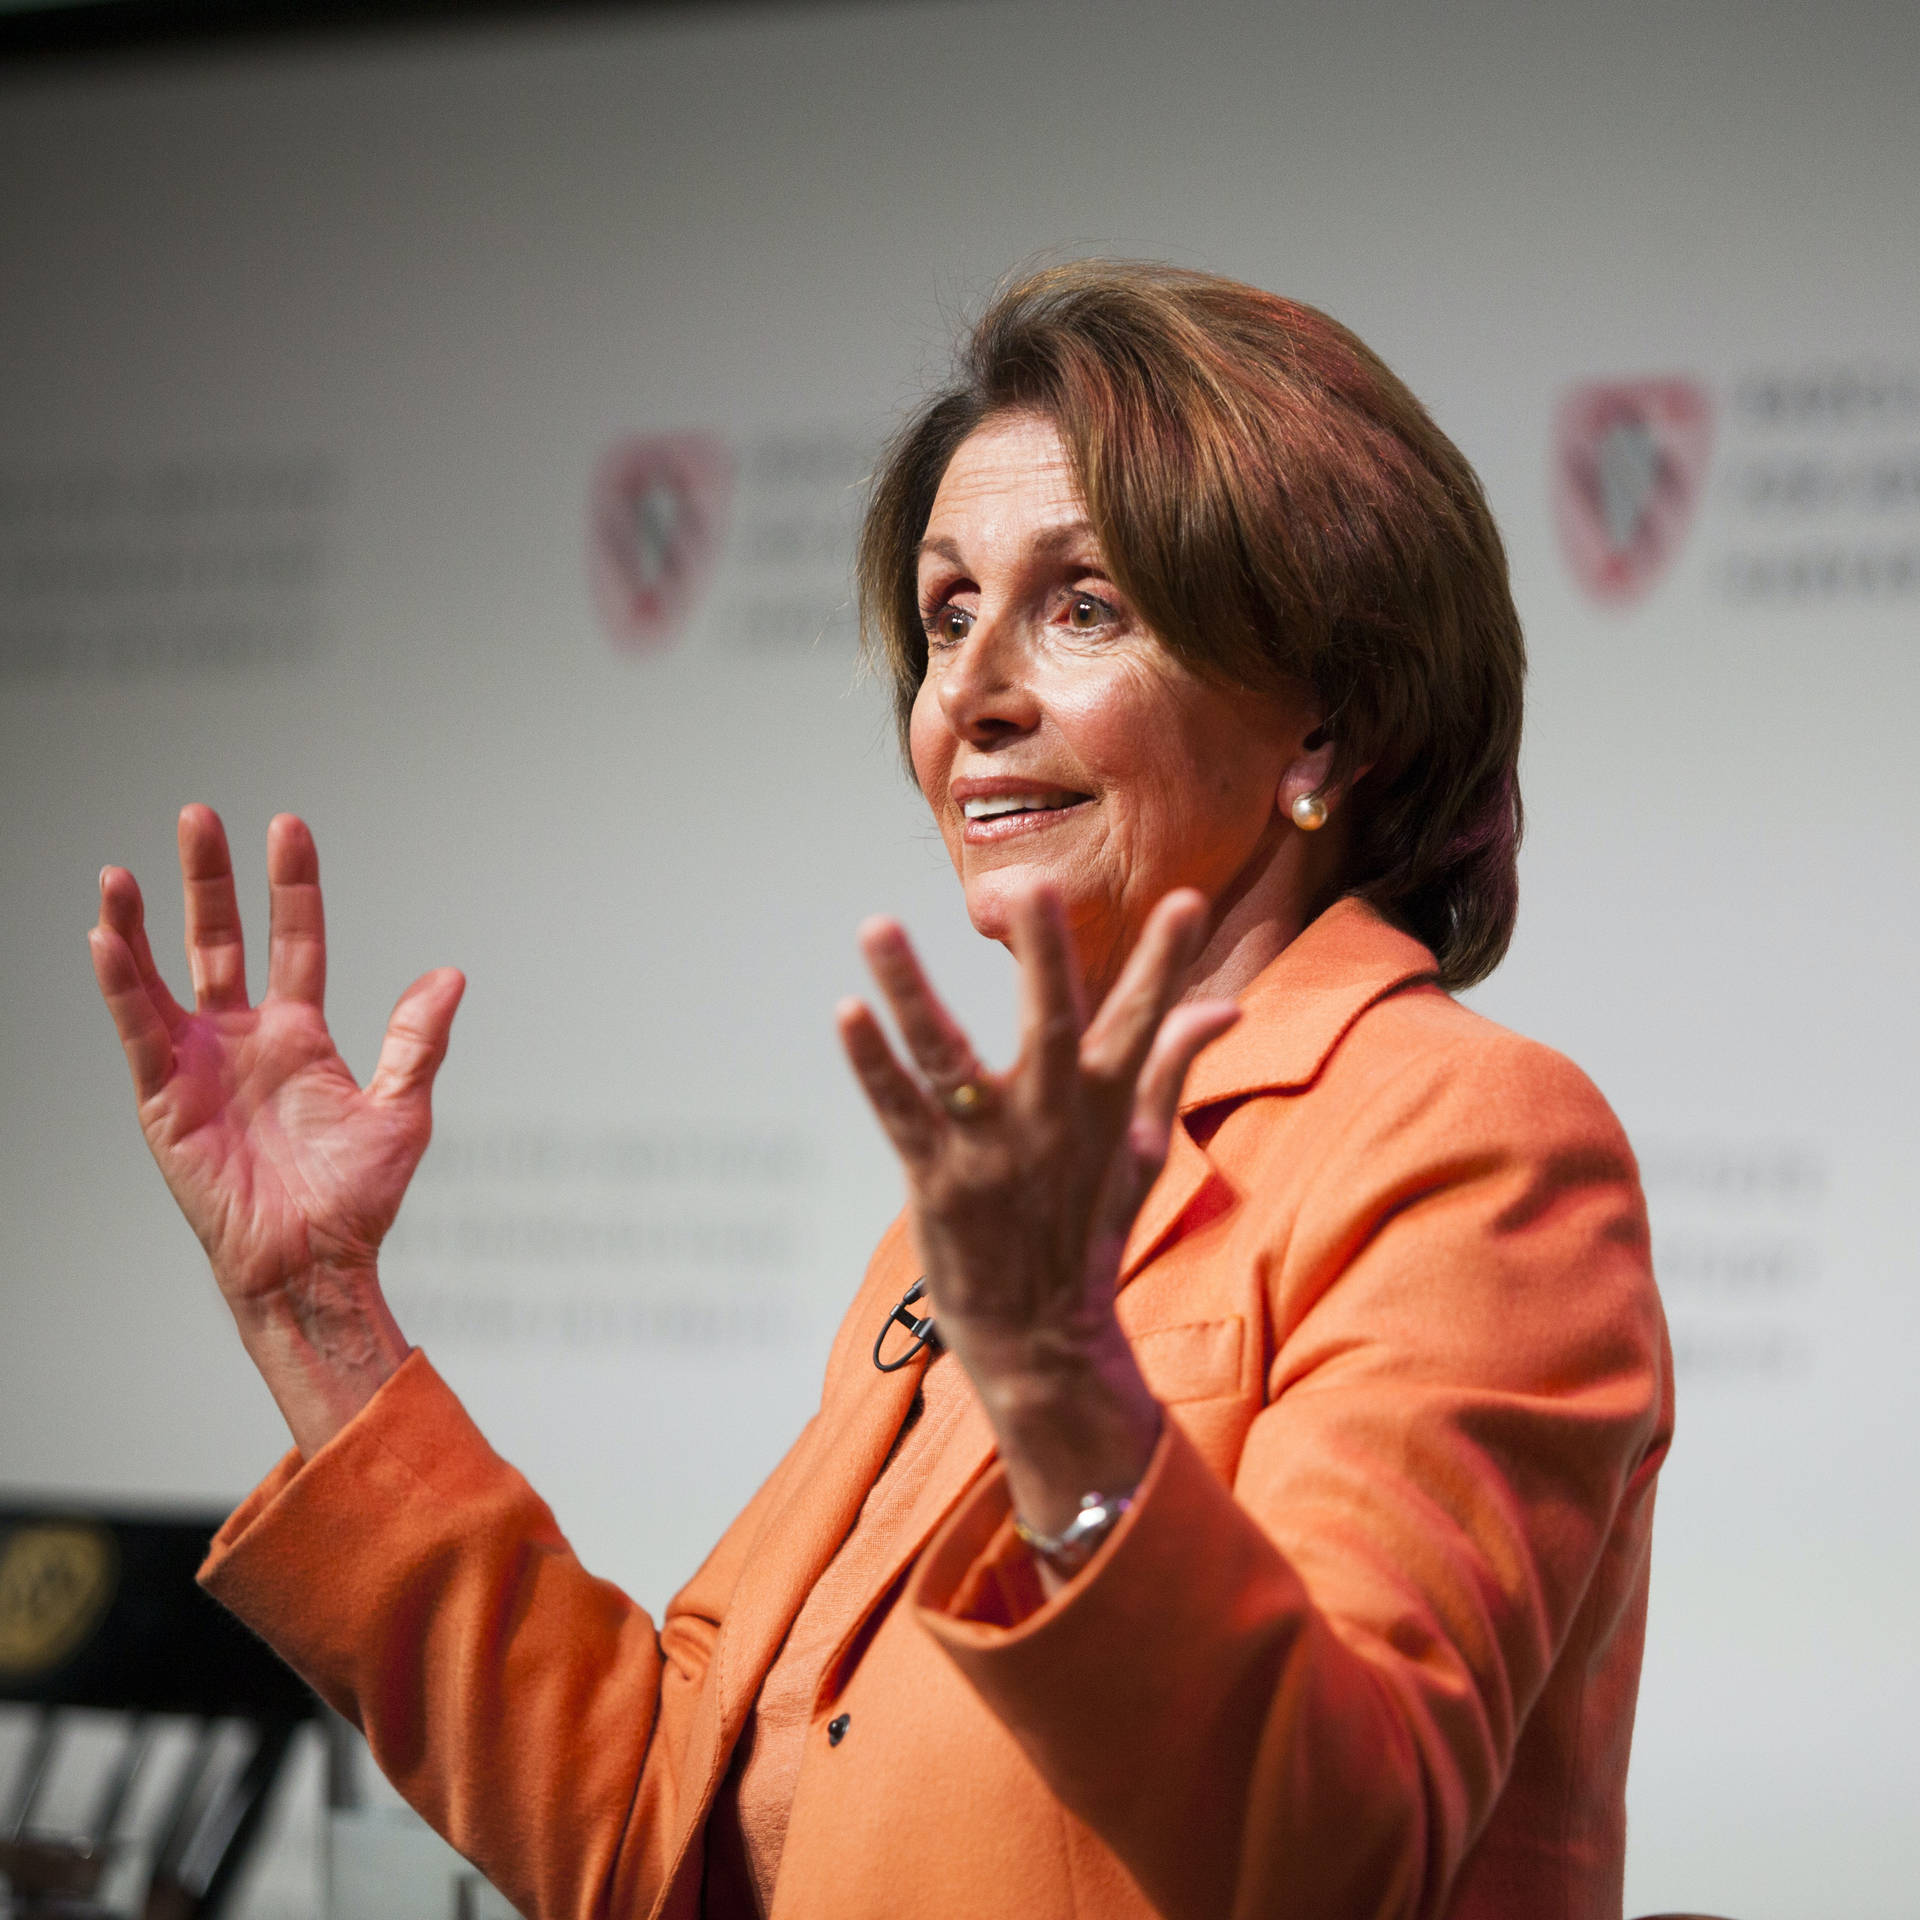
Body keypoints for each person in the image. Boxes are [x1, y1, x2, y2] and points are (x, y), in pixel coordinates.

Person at [88, 262, 1671, 1920]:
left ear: (1327, 738)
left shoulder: (1470, 1147)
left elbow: (1327, 1862)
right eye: (948, 616)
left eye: (1084, 607)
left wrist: (1059, 1386)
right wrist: (319, 1316)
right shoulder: (970, 1216)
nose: (971, 700)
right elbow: (656, 1829)